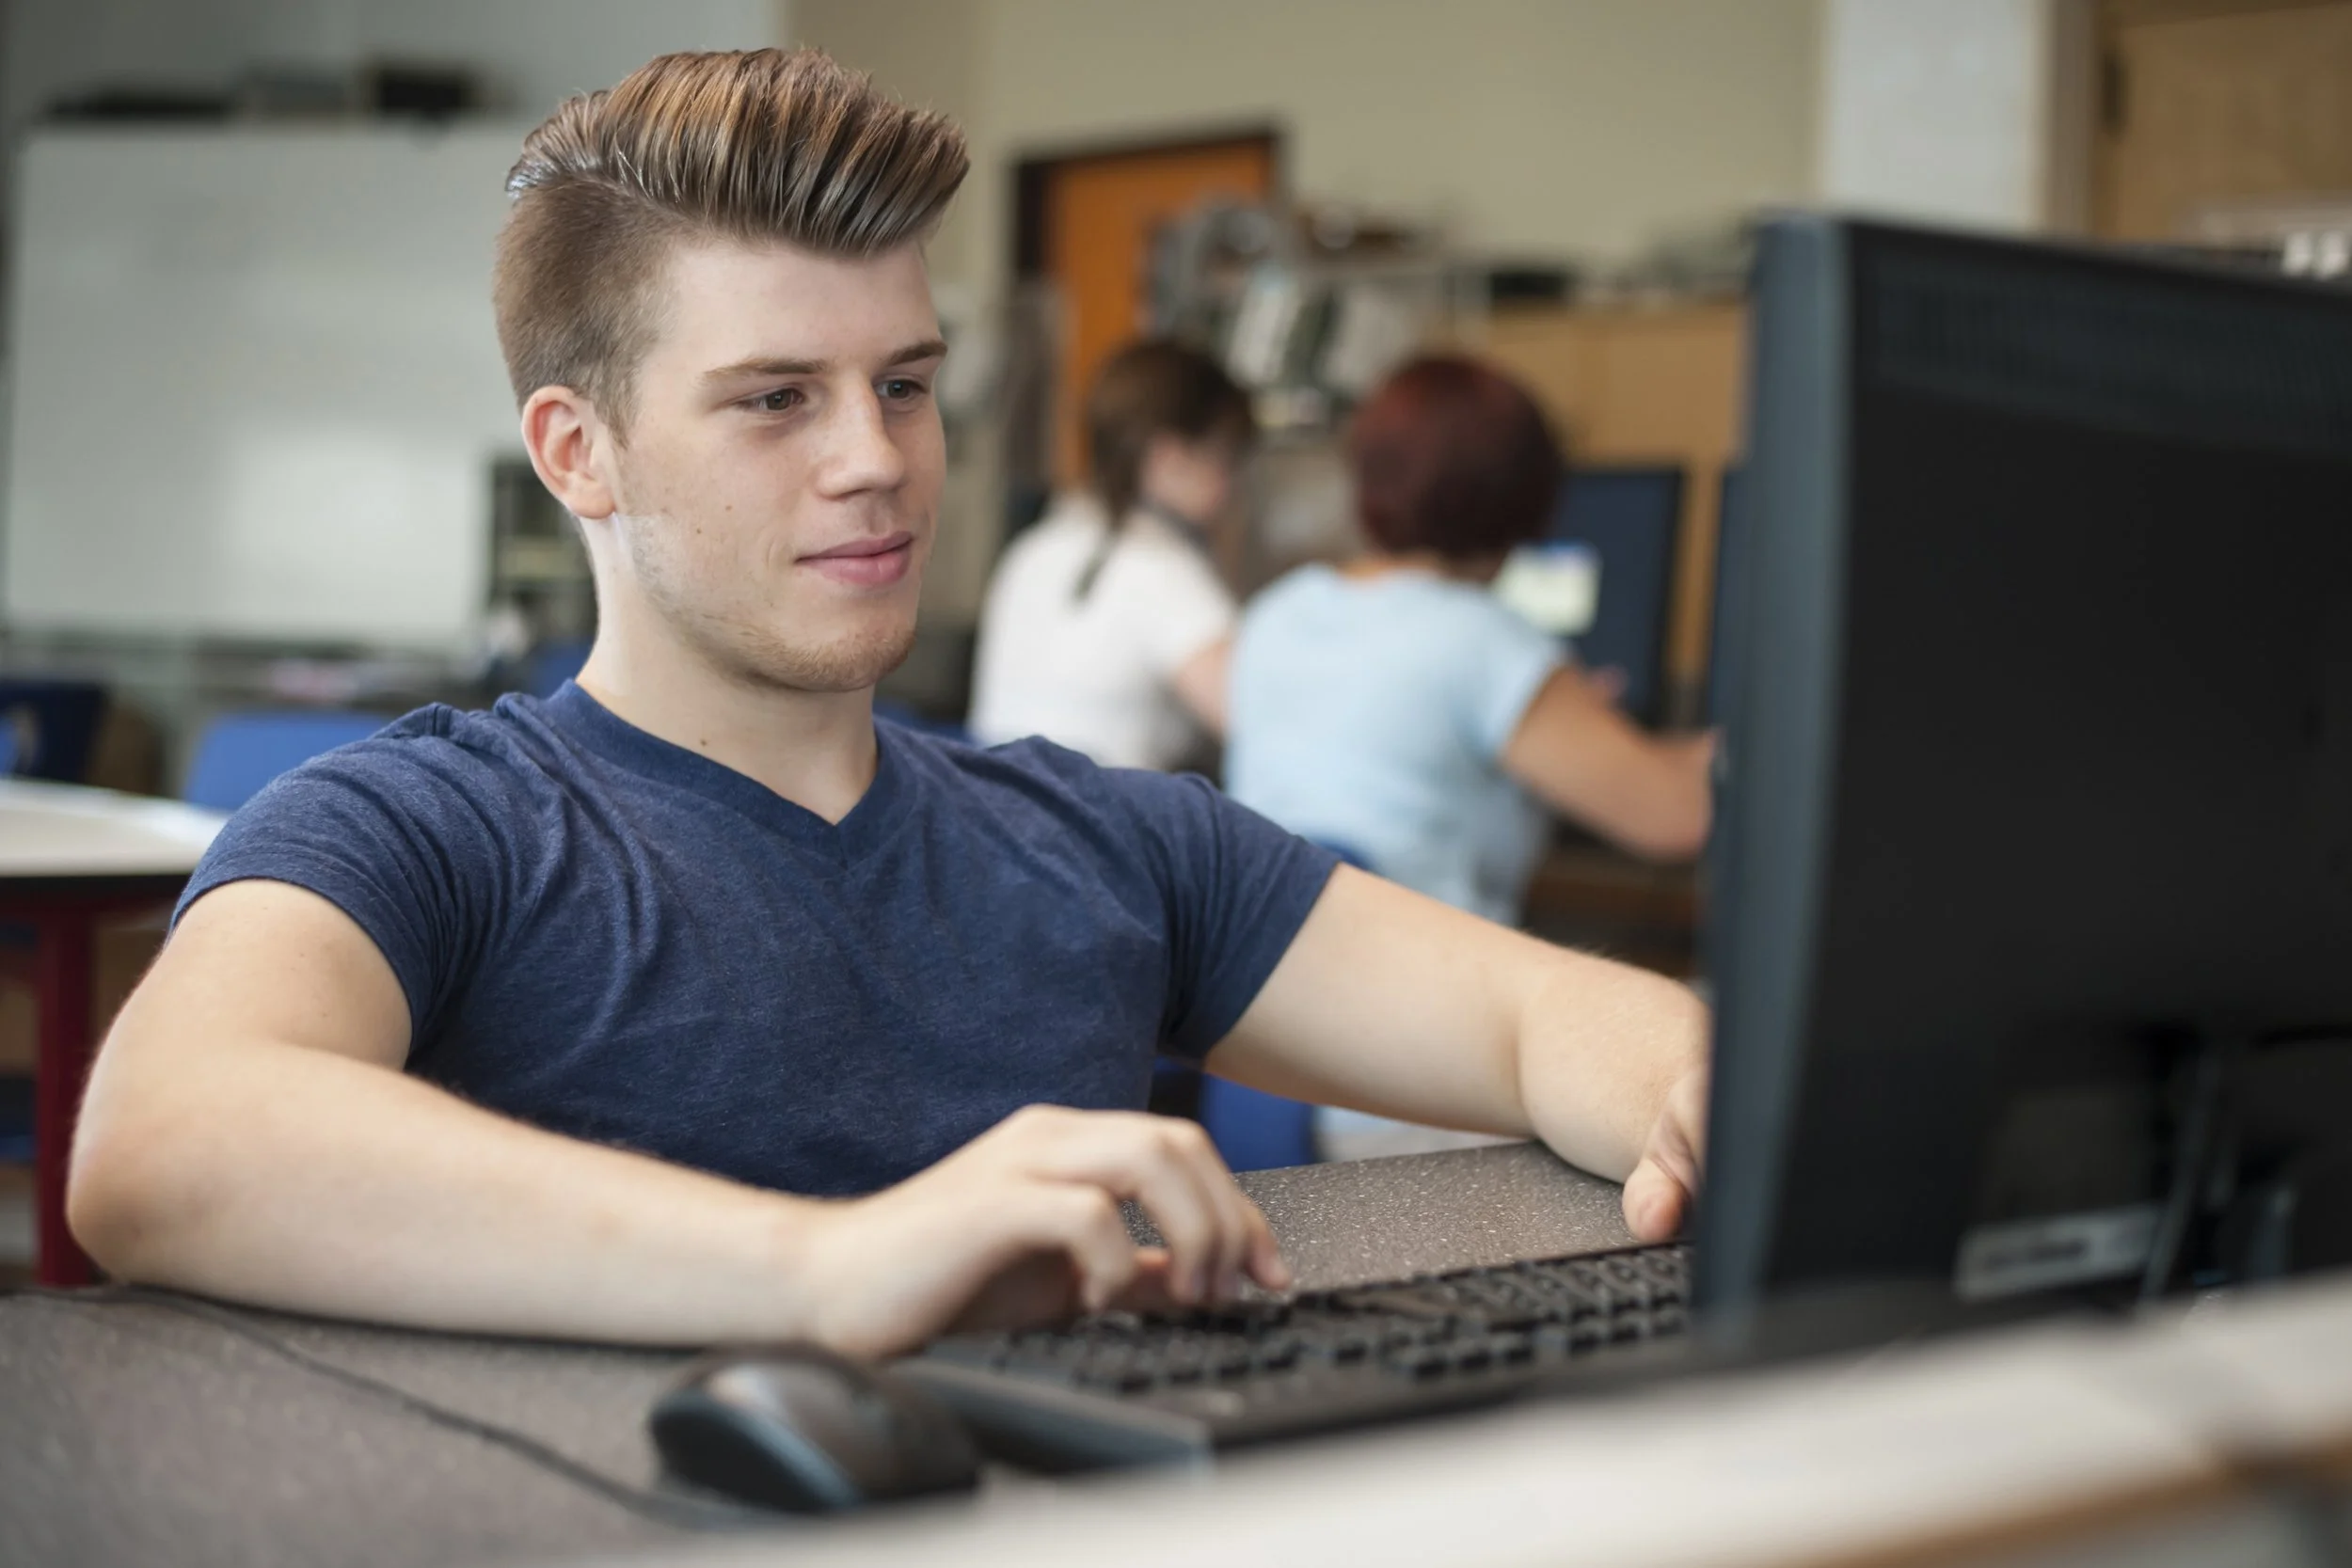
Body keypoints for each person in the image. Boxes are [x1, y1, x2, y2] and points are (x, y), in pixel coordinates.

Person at [67, 50, 1707, 1356]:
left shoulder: (1106, 841)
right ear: (580, 451)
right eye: (776, 398)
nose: (876, 458)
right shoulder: (433, 827)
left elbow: (1536, 1017)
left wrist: (1699, 1085)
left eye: (904, 384)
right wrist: (826, 1265)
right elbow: (163, 1136)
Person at [1225, 356, 1715, 1161]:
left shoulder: (1279, 613)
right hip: (1416, 1089)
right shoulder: (1484, 638)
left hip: (1269, 1065)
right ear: (1517, 495)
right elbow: (1675, 816)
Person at [967, 340, 1249, 768]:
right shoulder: (1161, 570)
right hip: (1095, 824)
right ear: (1169, 457)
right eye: (1224, 458)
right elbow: (1260, 724)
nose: (1230, 486)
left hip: (992, 814)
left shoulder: (1035, 548)